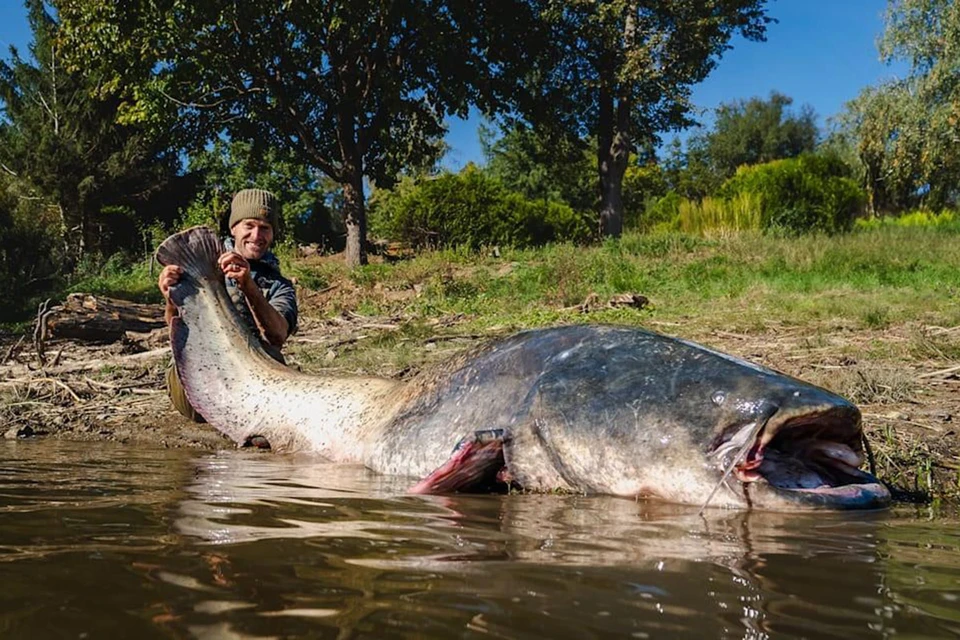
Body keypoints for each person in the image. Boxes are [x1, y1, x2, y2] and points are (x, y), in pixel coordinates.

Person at [158, 188, 298, 421]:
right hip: (200, 376)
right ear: (234, 228)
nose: (256, 235)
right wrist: (171, 298)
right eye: (249, 226)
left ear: (273, 234)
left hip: (255, 378)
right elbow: (175, 325)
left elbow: (277, 336)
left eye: (265, 228)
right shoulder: (201, 268)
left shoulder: (281, 285)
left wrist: (248, 286)